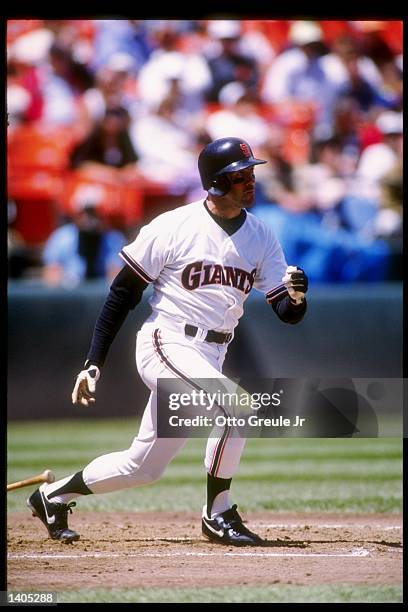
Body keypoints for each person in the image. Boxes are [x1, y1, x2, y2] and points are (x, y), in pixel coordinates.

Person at [27, 137, 309, 546]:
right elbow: (122, 293)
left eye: (251, 173)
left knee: (142, 467)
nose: (251, 181)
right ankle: (218, 513)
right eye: (240, 175)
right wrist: (94, 360)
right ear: (216, 183)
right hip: (168, 343)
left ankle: (51, 496)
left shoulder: (262, 236)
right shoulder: (173, 226)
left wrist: (297, 296)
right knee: (238, 407)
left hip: (212, 353)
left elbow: (286, 311)